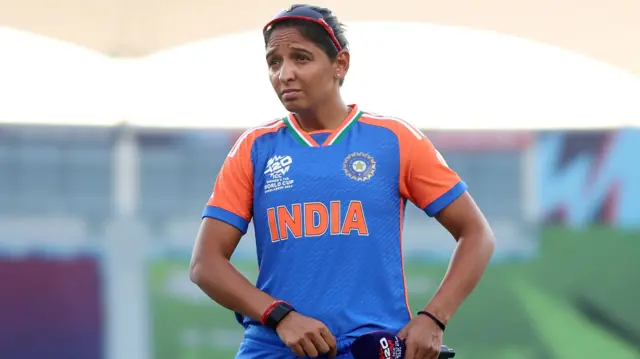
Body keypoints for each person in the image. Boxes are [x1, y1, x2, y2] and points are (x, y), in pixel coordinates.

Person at [189, 4, 496, 359]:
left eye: (301, 58)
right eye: (274, 62)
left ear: (340, 64)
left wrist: (434, 318)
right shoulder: (254, 148)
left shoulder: (394, 139)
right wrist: (280, 316)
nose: (284, 74)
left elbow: (477, 235)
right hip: (274, 347)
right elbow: (205, 264)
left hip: (372, 348)